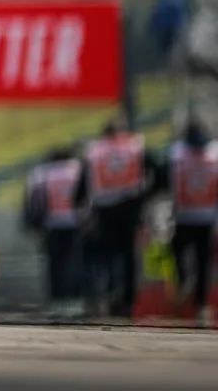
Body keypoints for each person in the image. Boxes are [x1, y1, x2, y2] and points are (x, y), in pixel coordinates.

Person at [78, 117, 153, 318]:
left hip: (105, 209)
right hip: (131, 208)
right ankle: (128, 299)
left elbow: (84, 181)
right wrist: (144, 196)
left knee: (109, 253)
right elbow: (155, 171)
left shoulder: (96, 150)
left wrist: (81, 205)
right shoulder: (135, 147)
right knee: (129, 254)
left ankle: (111, 291)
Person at [23, 146, 85, 312]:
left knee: (54, 264)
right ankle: (75, 298)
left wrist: (32, 223)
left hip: (51, 225)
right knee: (75, 262)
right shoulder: (77, 170)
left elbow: (33, 201)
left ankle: (57, 299)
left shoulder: (42, 173)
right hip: (75, 223)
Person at [166, 120, 216, 319]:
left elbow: (170, 182)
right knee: (204, 260)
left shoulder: (178, 154)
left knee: (177, 249)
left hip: (184, 213)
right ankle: (201, 303)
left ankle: (184, 278)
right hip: (207, 214)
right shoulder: (214, 154)